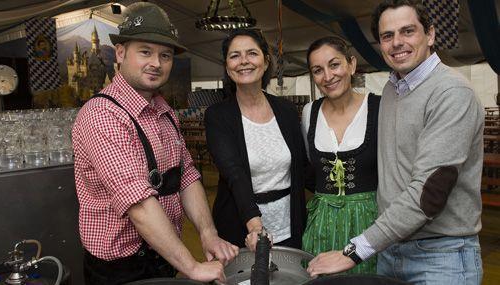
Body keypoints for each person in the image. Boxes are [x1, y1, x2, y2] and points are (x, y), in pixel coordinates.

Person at [307, 1, 484, 284]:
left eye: (408, 31)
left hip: (441, 255)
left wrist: (353, 251)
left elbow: (429, 193)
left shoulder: (451, 92)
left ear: (430, 35)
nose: (397, 42)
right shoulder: (393, 88)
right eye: (387, 36)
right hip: (390, 249)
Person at [72, 3, 238, 284]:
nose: (156, 63)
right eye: (145, 52)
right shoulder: (101, 115)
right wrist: (193, 266)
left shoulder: (163, 110)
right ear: (121, 53)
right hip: (120, 270)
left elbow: (186, 175)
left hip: (163, 255)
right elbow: (138, 204)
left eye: (165, 55)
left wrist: (207, 232)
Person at [204, 29, 307, 251]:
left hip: (289, 224)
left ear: (266, 60)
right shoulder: (218, 115)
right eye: (234, 56)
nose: (244, 62)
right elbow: (234, 173)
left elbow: (303, 167)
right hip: (241, 227)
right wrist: (255, 226)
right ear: (226, 65)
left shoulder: (286, 111)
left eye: (252, 53)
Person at [300, 36, 379, 274]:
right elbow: (308, 168)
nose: (327, 76)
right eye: (317, 70)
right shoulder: (309, 112)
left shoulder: (379, 107)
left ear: (351, 65)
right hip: (321, 224)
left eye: (334, 65)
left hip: (369, 223)